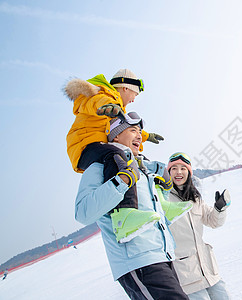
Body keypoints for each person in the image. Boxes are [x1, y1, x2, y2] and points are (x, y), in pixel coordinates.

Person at [75, 113, 189, 299]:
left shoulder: (141, 167)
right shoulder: (101, 166)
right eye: (133, 130)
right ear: (116, 135)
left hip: (162, 255)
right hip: (138, 260)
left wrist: (165, 187)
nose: (139, 136)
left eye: (140, 131)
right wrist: (121, 181)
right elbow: (83, 213)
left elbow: (152, 210)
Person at [64, 69, 166, 243]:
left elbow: (124, 130)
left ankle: (163, 205)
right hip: (85, 145)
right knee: (117, 154)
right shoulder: (102, 94)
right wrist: (107, 108)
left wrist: (146, 136)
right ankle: (123, 215)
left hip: (101, 146)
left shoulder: (119, 106)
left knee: (136, 159)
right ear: (126, 88)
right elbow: (96, 102)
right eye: (135, 93)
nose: (134, 99)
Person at [166, 152, 231, 299]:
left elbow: (213, 221)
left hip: (208, 270)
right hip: (186, 275)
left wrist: (219, 208)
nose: (178, 172)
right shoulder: (163, 198)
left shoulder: (194, 198)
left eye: (183, 168)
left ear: (189, 173)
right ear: (168, 172)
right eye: (174, 168)